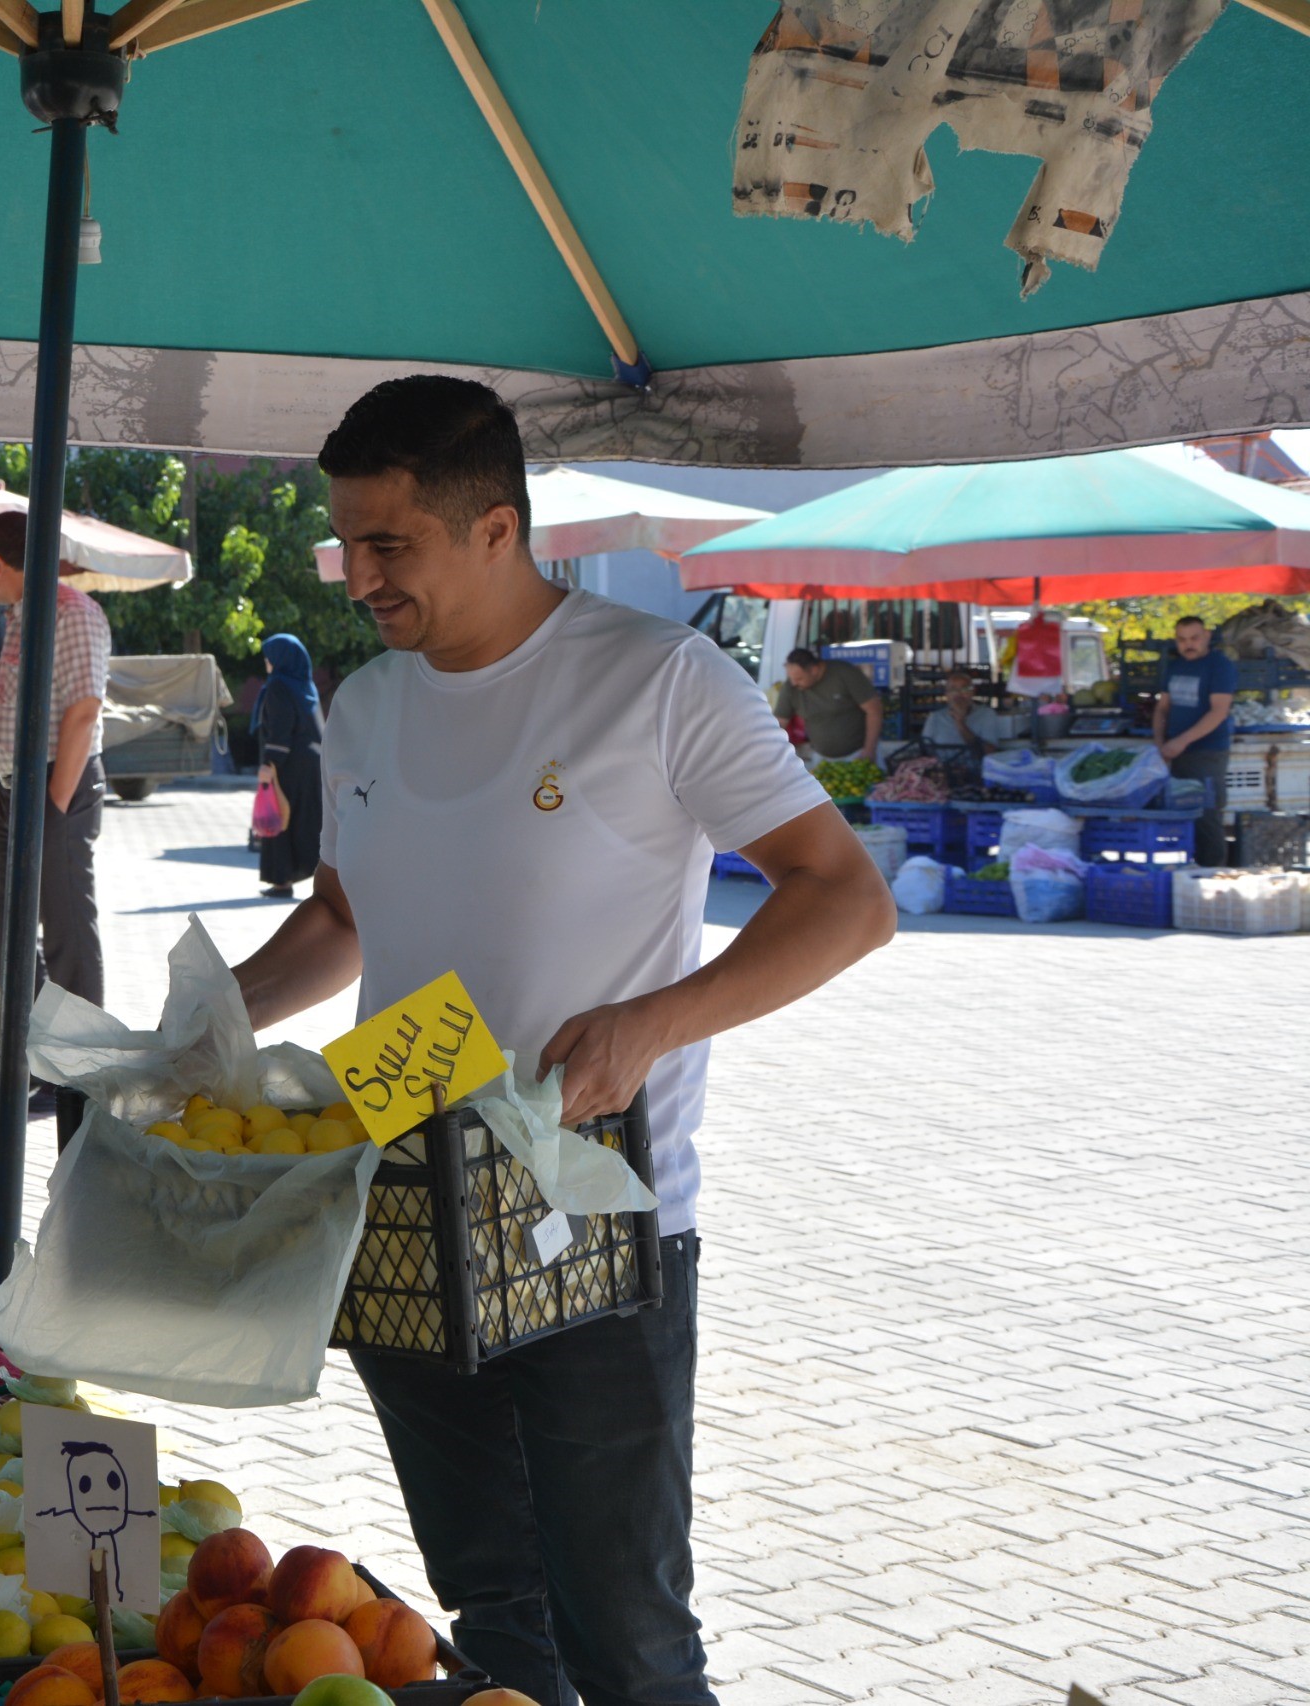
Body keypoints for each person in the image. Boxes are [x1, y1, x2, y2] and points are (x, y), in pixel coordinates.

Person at [232, 376, 894, 1706]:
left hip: (596, 1213)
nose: (358, 575)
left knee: (631, 1643)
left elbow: (848, 898)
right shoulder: (363, 706)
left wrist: (656, 1021)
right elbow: (346, 919)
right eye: (348, 541)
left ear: (496, 527)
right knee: (494, 1611)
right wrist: (206, 1027)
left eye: (388, 544)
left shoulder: (654, 679)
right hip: (403, 1202)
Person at [0, 509, 110, 1007]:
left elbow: (83, 713)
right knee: (8, 935)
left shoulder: (70, 611)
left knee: (66, 933)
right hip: (22, 787)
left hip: (59, 783)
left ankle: (80, 1076)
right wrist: (6, 788)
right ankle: (34, 1066)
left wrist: (53, 806)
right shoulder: (25, 613)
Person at [1156, 613, 1238, 864]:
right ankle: (1188, 875)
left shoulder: (1219, 665)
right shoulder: (1175, 666)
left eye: (1194, 638)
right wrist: (1160, 744)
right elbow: (1162, 708)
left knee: (1207, 818)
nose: (1188, 644)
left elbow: (1219, 711)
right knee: (1181, 816)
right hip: (1176, 754)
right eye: (1182, 639)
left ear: (1207, 637)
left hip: (1207, 753)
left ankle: (1212, 877)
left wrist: (1181, 741)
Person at [253, 633, 324, 899]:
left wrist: (270, 764)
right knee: (307, 821)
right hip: (311, 763)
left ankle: (282, 881)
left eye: (269, 657)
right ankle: (318, 877)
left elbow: (280, 729)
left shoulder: (279, 686)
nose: (267, 662)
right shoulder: (306, 686)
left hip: (288, 764)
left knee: (279, 819)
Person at [772, 645, 880, 763]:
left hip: (859, 753)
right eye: (791, 678)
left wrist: (870, 749)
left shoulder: (845, 673)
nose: (794, 683)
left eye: (799, 679)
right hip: (821, 758)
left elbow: (874, 710)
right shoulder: (791, 687)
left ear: (814, 670)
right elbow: (780, 722)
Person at [921, 669, 1000, 757]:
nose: (958, 693)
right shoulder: (935, 717)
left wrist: (960, 724)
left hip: (976, 769)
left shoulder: (986, 714)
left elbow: (990, 752)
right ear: (946, 695)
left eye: (965, 688)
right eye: (953, 689)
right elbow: (925, 750)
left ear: (973, 692)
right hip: (942, 768)